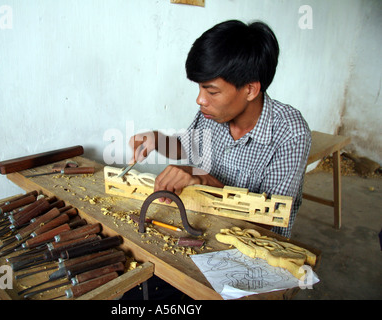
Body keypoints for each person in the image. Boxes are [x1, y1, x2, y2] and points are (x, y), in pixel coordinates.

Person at [128, 20, 311, 238]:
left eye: (212, 92)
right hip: (198, 228)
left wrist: (205, 180)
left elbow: (266, 222)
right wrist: (157, 139)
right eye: (199, 88)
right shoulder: (213, 112)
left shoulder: (290, 133)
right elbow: (187, 147)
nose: (200, 99)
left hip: (250, 245)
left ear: (250, 89)